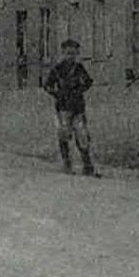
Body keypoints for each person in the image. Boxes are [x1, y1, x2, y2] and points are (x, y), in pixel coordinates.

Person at [42, 38, 98, 176]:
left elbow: (88, 82)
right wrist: (57, 93)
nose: (71, 56)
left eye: (73, 53)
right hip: (63, 107)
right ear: (63, 53)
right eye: (68, 53)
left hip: (78, 106)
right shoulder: (57, 69)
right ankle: (67, 164)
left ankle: (87, 165)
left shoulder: (79, 68)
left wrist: (80, 89)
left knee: (82, 135)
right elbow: (47, 85)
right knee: (64, 135)